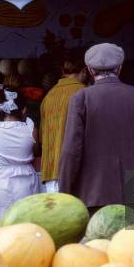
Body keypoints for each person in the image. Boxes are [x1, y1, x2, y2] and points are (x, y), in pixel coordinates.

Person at [58, 43, 134, 214]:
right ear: (120, 68)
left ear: (90, 71)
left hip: (93, 196)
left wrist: (65, 193)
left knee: (98, 241)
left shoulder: (81, 98)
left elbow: (72, 150)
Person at [0, 90, 40, 228]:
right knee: (25, 223)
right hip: (25, 184)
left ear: (1, 109)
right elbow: (35, 151)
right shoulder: (31, 129)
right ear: (23, 110)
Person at [40, 49, 87, 193]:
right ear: (85, 71)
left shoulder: (49, 96)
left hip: (50, 174)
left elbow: (42, 138)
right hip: (76, 174)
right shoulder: (84, 93)